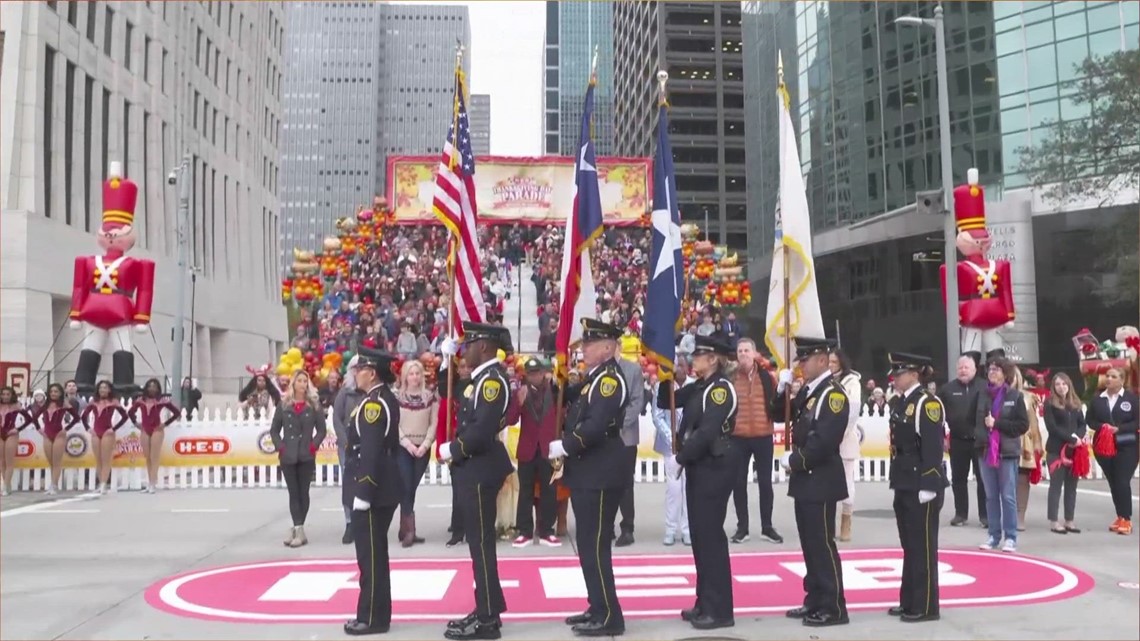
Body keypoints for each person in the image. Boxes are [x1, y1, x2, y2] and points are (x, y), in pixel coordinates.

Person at [550, 318, 629, 637]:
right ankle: (597, 606)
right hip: (588, 472)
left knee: (596, 545)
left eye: (590, 344)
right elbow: (568, 396)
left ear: (608, 348)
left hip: (600, 472)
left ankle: (610, 615)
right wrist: (559, 375)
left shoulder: (609, 380)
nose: (583, 349)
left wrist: (567, 445)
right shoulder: (592, 378)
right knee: (587, 544)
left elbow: (596, 426)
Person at [437, 322, 515, 641]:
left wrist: (453, 449)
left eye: (467, 344)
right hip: (475, 468)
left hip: (480, 468)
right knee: (478, 544)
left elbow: (481, 431)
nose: (463, 349)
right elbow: (451, 392)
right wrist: (445, 364)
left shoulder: (492, 382)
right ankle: (488, 608)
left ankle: (487, 620)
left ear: (483, 346)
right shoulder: (480, 379)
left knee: (481, 545)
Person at [664, 336, 739, 631]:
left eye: (699, 356)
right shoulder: (700, 386)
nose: (692, 360)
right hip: (700, 466)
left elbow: (707, 432)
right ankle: (704, 602)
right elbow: (664, 400)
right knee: (700, 539)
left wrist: (680, 458)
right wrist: (664, 374)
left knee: (710, 539)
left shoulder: (720, 390)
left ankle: (720, 610)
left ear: (714, 359)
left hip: (714, 467)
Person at [775, 337, 849, 627]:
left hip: (820, 479)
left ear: (821, 360)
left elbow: (823, 441)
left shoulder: (832, 395)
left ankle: (833, 606)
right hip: (807, 480)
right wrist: (780, 389)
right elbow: (779, 414)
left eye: (805, 360)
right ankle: (815, 599)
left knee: (822, 544)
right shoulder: (809, 391)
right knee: (809, 544)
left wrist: (794, 461)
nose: (801, 366)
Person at [343, 348, 401, 636]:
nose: (356, 373)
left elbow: (370, 451)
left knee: (370, 556)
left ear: (373, 372)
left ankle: (371, 617)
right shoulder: (376, 399)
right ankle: (378, 614)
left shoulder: (373, 405)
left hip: (374, 488)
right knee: (375, 553)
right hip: (383, 485)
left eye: (360, 368)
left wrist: (363, 491)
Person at [886, 352, 947, 623]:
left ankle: (926, 605)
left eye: (900, 373)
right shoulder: (902, 402)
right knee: (910, 545)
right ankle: (909, 599)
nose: (896, 377)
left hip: (922, 483)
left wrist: (930, 483)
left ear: (914, 374)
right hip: (904, 481)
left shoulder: (927, 403)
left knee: (922, 546)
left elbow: (933, 447)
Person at [729, 338, 783, 545]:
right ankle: (742, 527)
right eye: (740, 351)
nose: (743, 354)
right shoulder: (731, 376)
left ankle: (767, 527)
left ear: (754, 353)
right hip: (738, 437)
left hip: (763, 434)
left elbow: (777, 401)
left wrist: (785, 387)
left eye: (746, 350)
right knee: (738, 483)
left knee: (765, 483)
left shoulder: (767, 377)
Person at [975, 357, 1029, 552]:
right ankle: (993, 535)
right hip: (986, 451)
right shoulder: (982, 395)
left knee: (1007, 496)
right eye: (990, 369)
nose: (992, 372)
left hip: (1006, 453)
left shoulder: (1015, 397)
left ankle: (1010, 537)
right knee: (990, 496)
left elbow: (1022, 425)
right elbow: (975, 420)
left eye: (996, 369)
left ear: (1005, 374)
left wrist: (997, 424)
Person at [506, 357, 561, 547]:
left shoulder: (554, 390)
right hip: (528, 448)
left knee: (549, 490)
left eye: (537, 373)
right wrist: (518, 403)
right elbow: (511, 420)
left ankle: (546, 531)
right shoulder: (521, 392)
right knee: (525, 491)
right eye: (530, 374)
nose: (534, 376)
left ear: (543, 373)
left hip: (549, 448)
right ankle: (525, 531)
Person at [270, 371, 327, 548]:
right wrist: (281, 446)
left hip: (306, 455)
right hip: (288, 455)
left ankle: (298, 529)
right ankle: (297, 528)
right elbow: (274, 430)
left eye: (305, 381)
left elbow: (322, 430)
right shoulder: (284, 405)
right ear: (293, 384)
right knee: (293, 493)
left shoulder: (314, 405)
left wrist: (313, 445)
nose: (303, 384)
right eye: (299, 381)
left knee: (304, 492)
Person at [1086, 367, 1139, 535]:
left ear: (1122, 380)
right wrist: (1103, 427)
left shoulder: (1132, 399)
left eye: (1113, 376)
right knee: (1113, 482)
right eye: (1107, 376)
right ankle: (1120, 515)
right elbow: (1090, 420)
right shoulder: (1097, 400)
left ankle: (1127, 518)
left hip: (1127, 445)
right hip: (1103, 446)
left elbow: (1137, 422)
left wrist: (1119, 428)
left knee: (1122, 481)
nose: (1109, 379)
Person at [394, 360, 438, 547]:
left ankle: (404, 528)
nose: (415, 377)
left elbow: (433, 423)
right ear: (405, 376)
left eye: (417, 373)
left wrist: (425, 445)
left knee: (412, 487)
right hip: (403, 448)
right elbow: (394, 424)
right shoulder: (397, 397)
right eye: (411, 374)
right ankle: (409, 530)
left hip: (423, 448)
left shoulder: (430, 397)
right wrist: (408, 444)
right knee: (406, 486)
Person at [940, 355, 987, 527]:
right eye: (960, 367)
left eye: (967, 367)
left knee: (983, 479)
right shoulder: (947, 389)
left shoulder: (984, 386)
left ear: (975, 369)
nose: (963, 370)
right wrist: (943, 437)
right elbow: (939, 415)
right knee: (959, 479)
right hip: (958, 441)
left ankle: (985, 516)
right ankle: (960, 514)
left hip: (980, 441)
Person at [651, 357, 693, 546]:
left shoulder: (695, 386)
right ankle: (670, 529)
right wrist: (672, 438)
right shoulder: (663, 386)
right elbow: (657, 415)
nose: (680, 369)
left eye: (682, 365)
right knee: (674, 489)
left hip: (691, 444)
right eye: (676, 366)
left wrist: (688, 437)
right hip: (670, 446)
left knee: (688, 489)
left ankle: (687, 530)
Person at [437, 356, 475, 548]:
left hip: (475, 444)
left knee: (474, 492)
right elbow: (442, 387)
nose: (466, 370)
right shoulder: (454, 387)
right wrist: (445, 360)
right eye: (462, 366)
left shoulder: (479, 384)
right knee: (458, 491)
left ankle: (473, 529)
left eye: (468, 366)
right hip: (457, 444)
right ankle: (458, 530)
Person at [1042, 373, 1087, 534]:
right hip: (1056, 450)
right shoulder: (1049, 404)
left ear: (1069, 385)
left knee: (1071, 487)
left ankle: (1069, 520)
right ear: (1053, 387)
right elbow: (1052, 427)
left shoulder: (1075, 403)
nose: (1061, 387)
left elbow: (1082, 424)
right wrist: (1070, 438)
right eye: (1058, 384)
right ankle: (1054, 521)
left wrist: (1078, 437)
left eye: (1064, 384)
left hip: (1074, 451)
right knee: (1056, 486)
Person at [829, 348, 862, 542]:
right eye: (829, 361)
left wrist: (840, 433)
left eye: (834, 361)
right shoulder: (827, 380)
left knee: (847, 481)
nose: (831, 365)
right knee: (830, 482)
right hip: (828, 438)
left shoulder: (852, 382)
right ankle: (830, 523)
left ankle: (846, 521)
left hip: (845, 437)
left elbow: (853, 411)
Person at [333, 356, 365, 544]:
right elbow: (337, 419)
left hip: (365, 445)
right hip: (347, 447)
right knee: (349, 484)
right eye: (355, 368)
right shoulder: (344, 393)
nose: (357, 372)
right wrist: (345, 442)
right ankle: (349, 522)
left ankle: (363, 520)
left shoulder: (367, 392)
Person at [128, 378, 180, 494]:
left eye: (154, 386)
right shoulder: (141, 401)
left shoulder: (162, 401)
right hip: (145, 429)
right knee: (148, 457)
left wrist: (165, 424)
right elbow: (130, 412)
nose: (152, 388)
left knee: (154, 457)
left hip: (157, 429)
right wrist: (136, 423)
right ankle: (150, 482)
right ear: (146, 388)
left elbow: (177, 412)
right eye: (150, 386)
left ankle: (152, 483)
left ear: (158, 389)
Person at [80, 380, 130, 495]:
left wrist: (113, 429)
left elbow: (125, 416)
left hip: (107, 432)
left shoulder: (113, 402)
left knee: (106, 459)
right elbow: (84, 417)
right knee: (98, 460)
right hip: (96, 432)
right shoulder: (94, 402)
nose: (103, 390)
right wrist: (88, 428)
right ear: (98, 390)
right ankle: (100, 483)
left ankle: (103, 484)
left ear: (109, 390)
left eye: (105, 388)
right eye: (101, 388)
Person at [615, 357, 644, 547]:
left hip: (625, 436)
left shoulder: (633, 369)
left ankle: (627, 528)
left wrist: (616, 425)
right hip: (601, 438)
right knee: (603, 482)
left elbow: (637, 402)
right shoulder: (596, 368)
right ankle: (607, 525)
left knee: (625, 484)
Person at [1011, 368, 1043, 532]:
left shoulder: (1028, 397)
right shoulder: (995, 394)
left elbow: (1034, 422)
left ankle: (1020, 516)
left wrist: (1037, 443)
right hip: (1003, 442)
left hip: (1024, 443)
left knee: (1022, 480)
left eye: (1013, 376)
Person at [0, 387, 31, 496]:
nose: (5, 396)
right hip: (0, 434)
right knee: (2, 461)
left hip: (11, 433)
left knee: (9, 461)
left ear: (11, 395)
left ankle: (5, 486)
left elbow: (29, 419)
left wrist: (17, 429)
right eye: (3, 394)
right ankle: (6, 485)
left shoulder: (16, 406)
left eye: (7, 394)